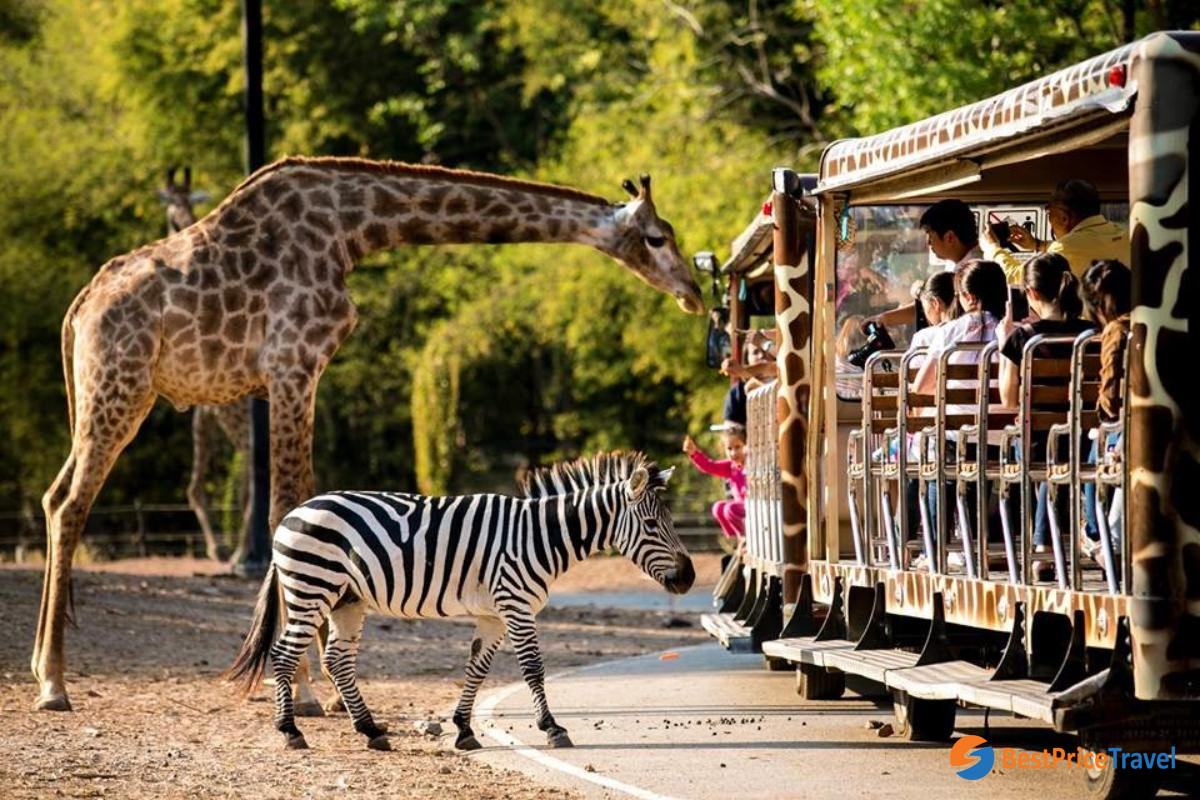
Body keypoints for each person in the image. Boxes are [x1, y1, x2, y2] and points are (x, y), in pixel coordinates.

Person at [996, 252, 1094, 580]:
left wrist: (1002, 345)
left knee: (1027, 454)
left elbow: (1009, 399)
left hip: (1038, 443)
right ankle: (1044, 547)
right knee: (1061, 455)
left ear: (1032, 293)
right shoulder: (1090, 334)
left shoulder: (1022, 339)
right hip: (1085, 441)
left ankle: (1034, 548)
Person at [1079, 259, 1131, 565]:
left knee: (1093, 459)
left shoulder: (1116, 330)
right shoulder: (1152, 321)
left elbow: (1110, 399)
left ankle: (1099, 534)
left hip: (1127, 430)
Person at [982, 179, 1129, 283]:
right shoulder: (1123, 234)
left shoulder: (1066, 248)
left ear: (1064, 218)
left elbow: (1017, 278)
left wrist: (992, 248)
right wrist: (1038, 245)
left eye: (1049, 214)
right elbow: (1087, 246)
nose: (1049, 220)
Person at [869, 199, 981, 329]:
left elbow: (934, 304)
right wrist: (884, 319)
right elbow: (930, 305)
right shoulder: (954, 263)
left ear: (950, 237)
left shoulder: (977, 270)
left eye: (930, 236)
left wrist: (919, 291)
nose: (928, 243)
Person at [682, 426, 747, 540]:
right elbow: (710, 466)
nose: (733, 452)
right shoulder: (730, 466)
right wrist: (694, 453)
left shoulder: (751, 464)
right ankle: (736, 539)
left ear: (746, 446)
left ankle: (745, 537)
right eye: (729, 449)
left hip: (750, 505)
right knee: (718, 508)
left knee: (729, 509)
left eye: (738, 447)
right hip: (739, 508)